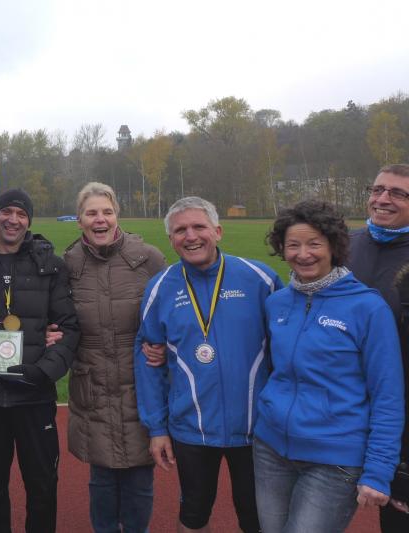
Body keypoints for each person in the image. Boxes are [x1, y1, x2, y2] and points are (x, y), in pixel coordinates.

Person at [253, 199, 404, 533]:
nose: (303, 254)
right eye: (293, 245)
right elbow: (270, 370)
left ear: (334, 246)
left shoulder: (368, 308)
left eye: (314, 244)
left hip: (334, 458)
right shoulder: (276, 303)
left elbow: (387, 394)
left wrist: (379, 470)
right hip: (270, 449)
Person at [134, 197, 280, 533]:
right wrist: (157, 429)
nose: (190, 236)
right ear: (171, 239)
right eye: (180, 230)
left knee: (258, 517)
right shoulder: (160, 288)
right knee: (194, 513)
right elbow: (147, 362)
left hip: (257, 428)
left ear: (218, 231)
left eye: (199, 227)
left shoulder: (261, 279)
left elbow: (286, 348)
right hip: (192, 428)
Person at [0, 189, 80, 532]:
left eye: (21, 214)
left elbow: (68, 328)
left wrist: (43, 372)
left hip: (34, 396)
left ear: (29, 221)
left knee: (42, 487)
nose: (13, 220)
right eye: (7, 212)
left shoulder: (51, 266)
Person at [63, 181, 166, 533]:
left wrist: (167, 346)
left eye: (107, 212)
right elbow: (57, 317)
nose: (100, 219)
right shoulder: (68, 265)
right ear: (80, 220)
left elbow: (173, 313)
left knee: (140, 478)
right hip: (93, 386)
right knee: (103, 479)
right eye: (91, 213)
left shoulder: (149, 258)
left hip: (141, 383)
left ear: (117, 215)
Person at [345, 163, 409, 532]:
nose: (383, 199)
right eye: (377, 189)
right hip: (344, 401)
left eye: (399, 193)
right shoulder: (343, 245)